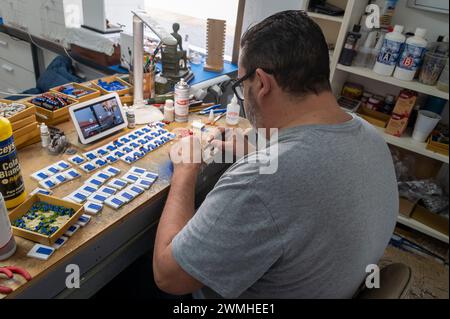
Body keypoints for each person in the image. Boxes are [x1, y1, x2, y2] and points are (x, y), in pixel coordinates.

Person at [152, 10, 398, 299]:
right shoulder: (370, 136)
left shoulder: (258, 183)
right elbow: (311, 172)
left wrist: (185, 171)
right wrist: (263, 154)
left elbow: (168, 276)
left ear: (262, 83)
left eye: (243, 87)